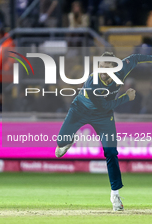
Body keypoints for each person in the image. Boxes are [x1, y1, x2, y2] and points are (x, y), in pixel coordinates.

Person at [55, 52, 152, 211]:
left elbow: (136, 58)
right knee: (60, 143)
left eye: (107, 68)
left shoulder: (122, 70)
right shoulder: (93, 83)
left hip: (103, 117)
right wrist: (127, 97)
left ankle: (115, 195)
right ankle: (68, 141)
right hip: (80, 110)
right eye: (101, 67)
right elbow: (105, 105)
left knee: (111, 153)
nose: (103, 71)